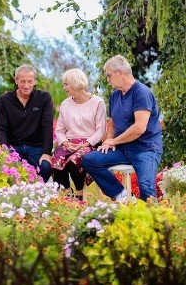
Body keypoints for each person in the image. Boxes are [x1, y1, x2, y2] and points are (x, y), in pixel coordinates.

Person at [82, 55, 163, 202]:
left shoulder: (142, 93)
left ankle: (152, 221)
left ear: (120, 72)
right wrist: (108, 141)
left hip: (145, 149)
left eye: (109, 75)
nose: (107, 79)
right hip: (123, 149)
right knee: (90, 160)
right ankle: (120, 194)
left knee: (146, 187)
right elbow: (112, 123)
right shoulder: (115, 96)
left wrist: (114, 141)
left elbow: (139, 128)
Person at [52, 68, 106, 199]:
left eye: (66, 84)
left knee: (73, 160)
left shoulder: (97, 102)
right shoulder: (65, 104)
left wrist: (84, 145)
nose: (64, 87)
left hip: (90, 144)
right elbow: (59, 130)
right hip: (70, 143)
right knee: (57, 157)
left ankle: (79, 194)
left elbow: (100, 131)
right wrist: (65, 143)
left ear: (75, 83)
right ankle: (66, 191)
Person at [0, 64, 53, 182]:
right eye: (22, 81)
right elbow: (1, 129)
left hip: (36, 148)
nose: (26, 85)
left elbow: (47, 127)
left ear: (35, 81)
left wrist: (47, 152)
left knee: (45, 167)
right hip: (13, 147)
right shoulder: (4, 100)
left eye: (30, 81)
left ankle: (37, 194)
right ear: (16, 81)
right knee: (7, 171)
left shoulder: (44, 98)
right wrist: (5, 152)